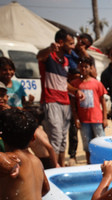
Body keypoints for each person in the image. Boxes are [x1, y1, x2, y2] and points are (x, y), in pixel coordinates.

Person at [37, 29, 84, 167]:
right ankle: (53, 169)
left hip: (65, 103)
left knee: (63, 140)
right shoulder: (48, 57)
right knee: (55, 138)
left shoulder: (65, 61)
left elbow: (63, 84)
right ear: (61, 42)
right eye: (70, 44)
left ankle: (61, 168)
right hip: (52, 102)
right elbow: (39, 56)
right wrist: (49, 48)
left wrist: (76, 91)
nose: (73, 47)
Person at [71, 56, 108, 164]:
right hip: (84, 120)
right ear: (78, 67)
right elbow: (73, 103)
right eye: (81, 66)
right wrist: (76, 118)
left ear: (90, 68)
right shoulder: (75, 84)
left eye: (86, 67)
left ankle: (103, 163)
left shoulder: (96, 83)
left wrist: (104, 118)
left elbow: (103, 101)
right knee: (87, 144)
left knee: (101, 142)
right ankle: (89, 163)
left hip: (97, 119)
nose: (83, 69)